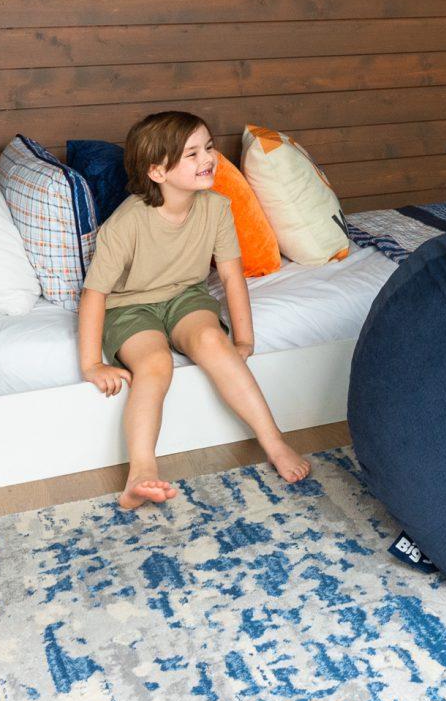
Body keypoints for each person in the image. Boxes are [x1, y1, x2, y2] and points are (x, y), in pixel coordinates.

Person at [78, 111, 311, 505]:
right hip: (130, 307)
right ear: (157, 172)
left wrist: (244, 340)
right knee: (155, 364)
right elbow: (95, 295)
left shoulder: (216, 208)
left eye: (208, 147)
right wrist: (91, 365)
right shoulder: (126, 224)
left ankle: (274, 443)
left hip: (186, 297)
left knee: (210, 339)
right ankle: (141, 472)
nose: (208, 159)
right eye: (192, 153)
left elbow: (233, 278)